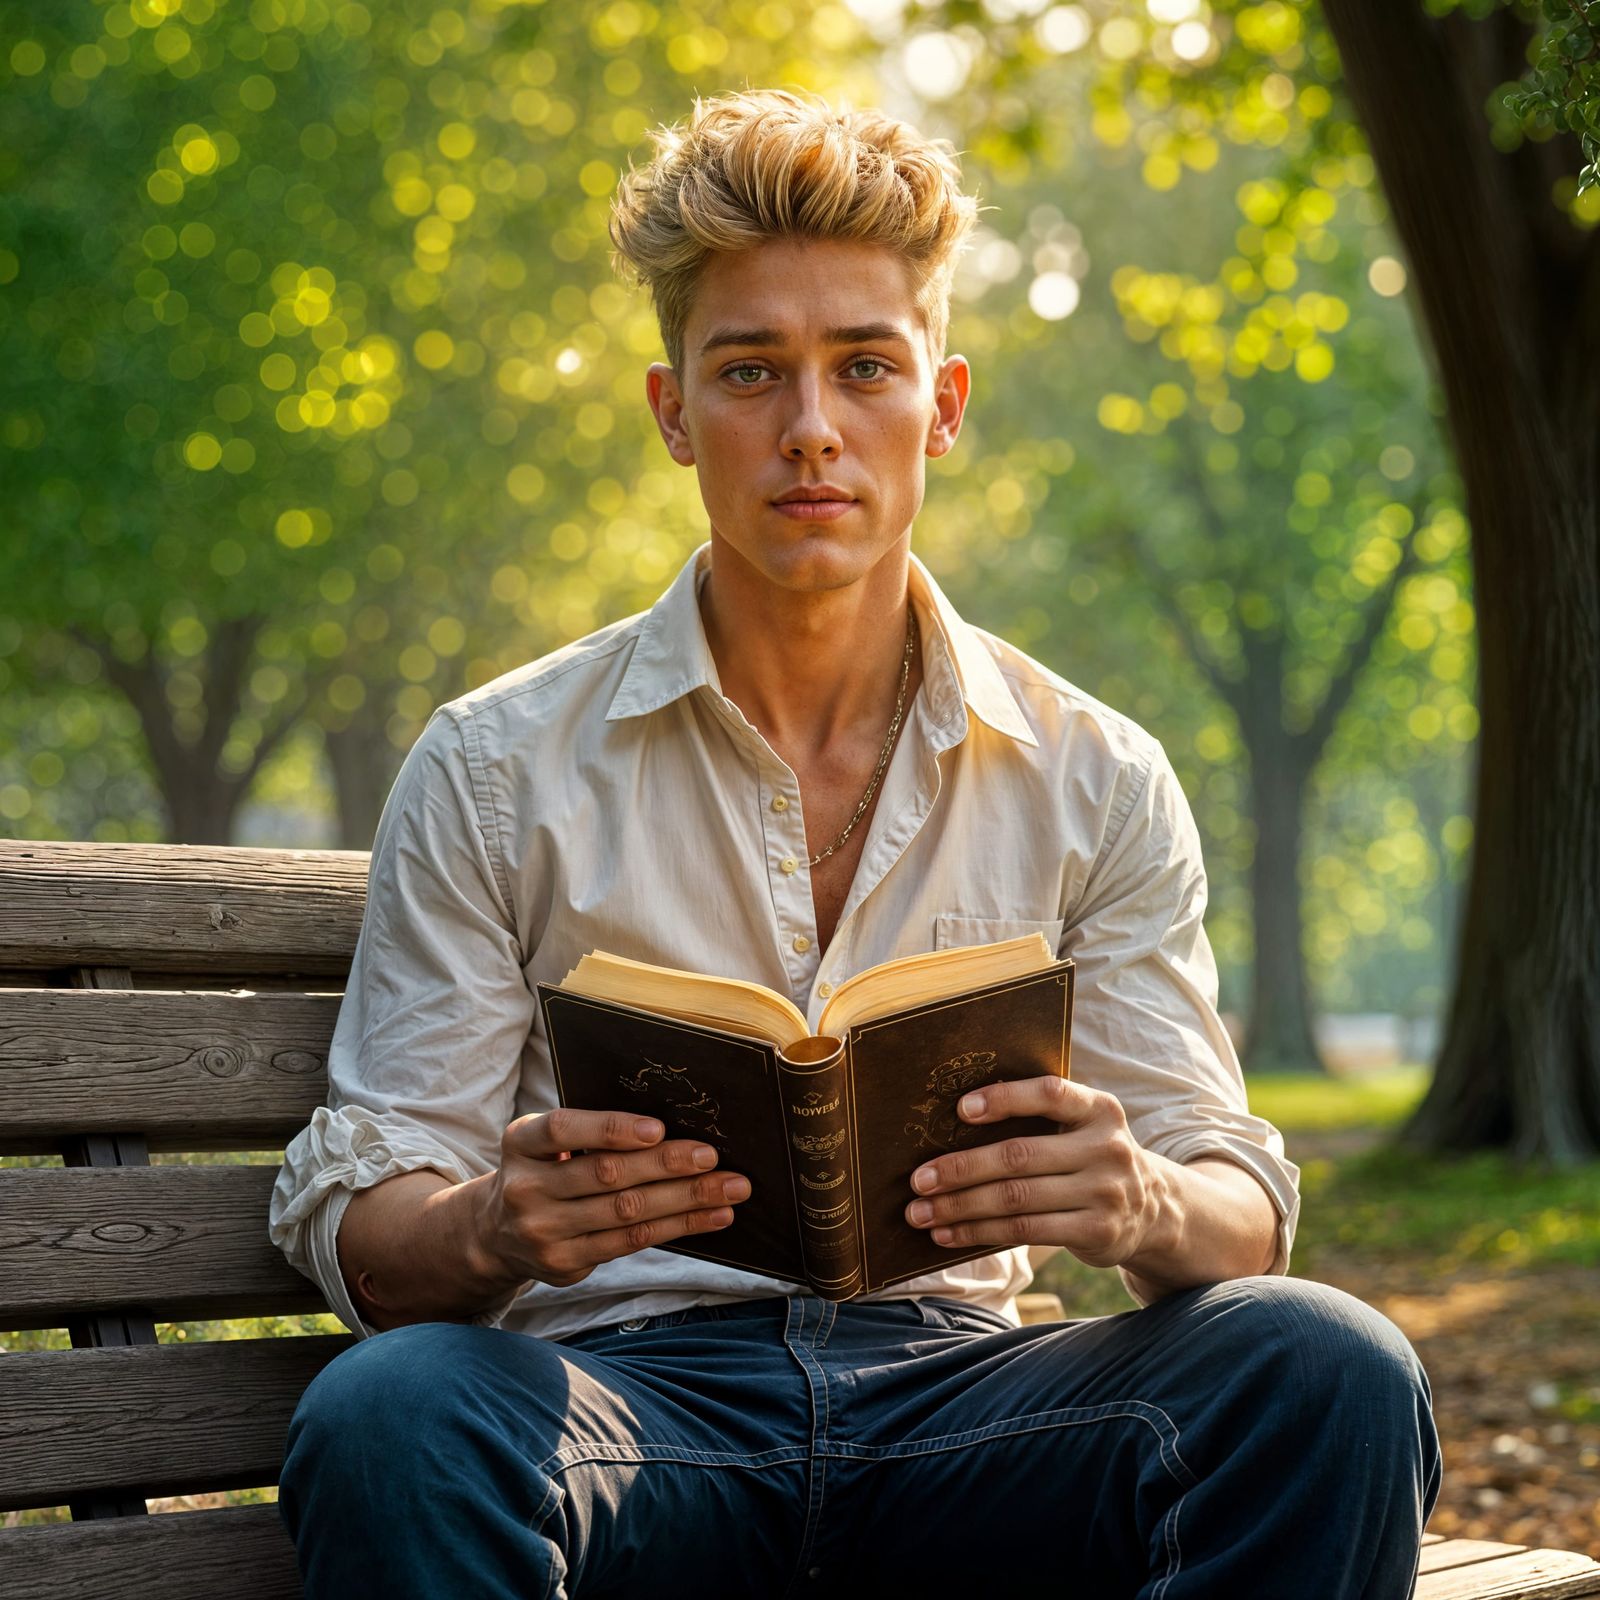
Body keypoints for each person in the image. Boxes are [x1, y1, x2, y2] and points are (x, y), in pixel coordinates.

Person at [269, 88, 1441, 1598]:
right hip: (627, 1415)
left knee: (1325, 1365)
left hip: (970, 1407)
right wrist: (502, 1224)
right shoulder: (495, 767)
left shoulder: (1094, 774)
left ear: (941, 405)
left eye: (863, 367)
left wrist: (1140, 1203)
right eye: (750, 370)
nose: (810, 429)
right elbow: (368, 1224)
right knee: (395, 1415)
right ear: (673, 410)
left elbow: (1235, 1197)